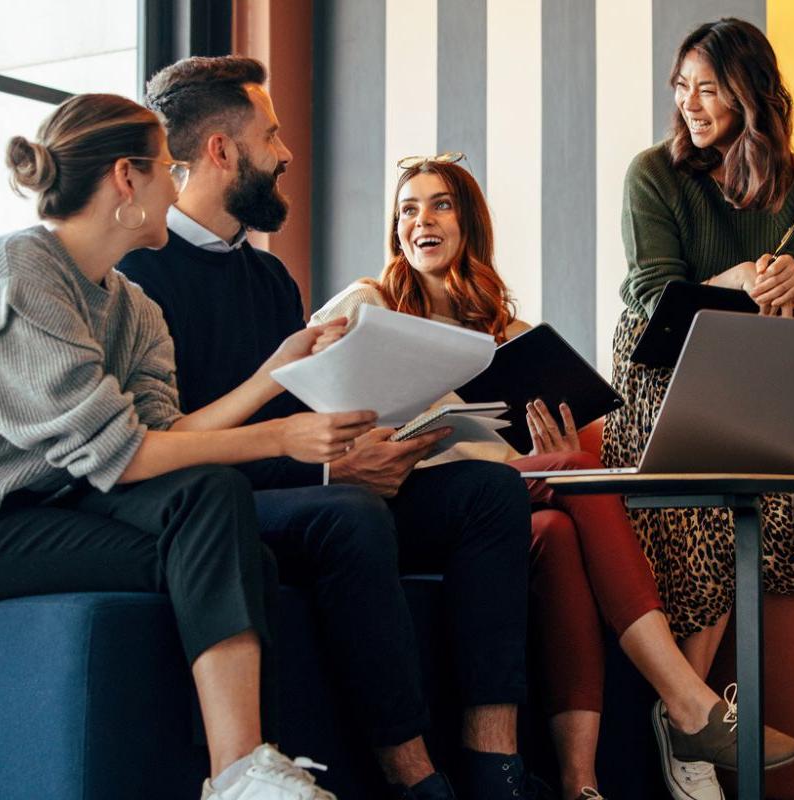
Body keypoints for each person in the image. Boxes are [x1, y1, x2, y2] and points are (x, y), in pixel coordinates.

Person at [0, 93, 357, 800]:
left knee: (224, 524)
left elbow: (166, 432)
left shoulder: (132, 306)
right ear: (127, 178)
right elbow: (124, 455)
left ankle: (240, 770)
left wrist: (277, 370)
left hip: (38, 517)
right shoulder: (17, 275)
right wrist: (280, 436)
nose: (177, 188)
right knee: (218, 547)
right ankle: (241, 777)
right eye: (166, 172)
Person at [309, 155, 794, 800]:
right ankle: (685, 700)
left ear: (469, 225)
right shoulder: (367, 302)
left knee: (559, 532)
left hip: (491, 506)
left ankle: (579, 784)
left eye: (440, 205)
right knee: (577, 469)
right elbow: (307, 395)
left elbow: (512, 459)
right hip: (397, 501)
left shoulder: (508, 333)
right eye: (408, 209)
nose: (421, 220)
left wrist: (549, 450)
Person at [118, 56, 537, 800]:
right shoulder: (140, 278)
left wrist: (362, 448)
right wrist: (331, 473)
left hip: (300, 480)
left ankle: (493, 764)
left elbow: (298, 416)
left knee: (489, 495)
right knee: (348, 515)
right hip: (214, 503)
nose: (285, 154)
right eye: (271, 135)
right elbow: (173, 455)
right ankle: (416, 779)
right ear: (221, 150)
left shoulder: (270, 279)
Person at [608, 18, 794, 800]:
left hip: (752, 354)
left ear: (751, 92)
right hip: (662, 357)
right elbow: (653, 297)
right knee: (714, 489)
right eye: (681, 87)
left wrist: (791, 292)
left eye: (708, 87)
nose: (690, 103)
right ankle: (695, 718)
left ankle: (689, 716)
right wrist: (737, 280)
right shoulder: (653, 173)